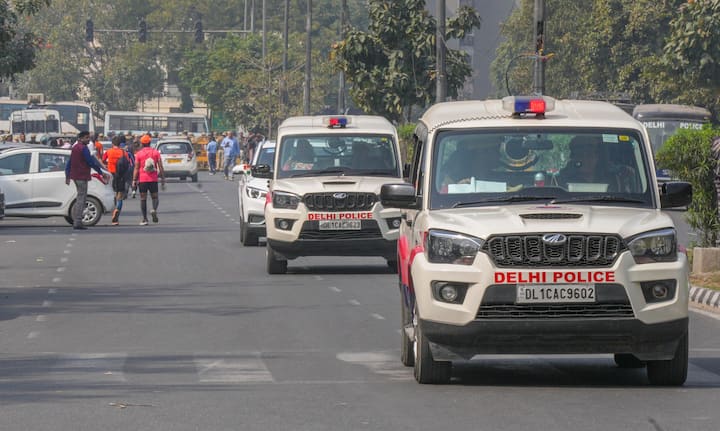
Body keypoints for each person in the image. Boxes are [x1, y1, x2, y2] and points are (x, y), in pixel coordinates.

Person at [64, 131, 110, 230]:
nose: (88, 140)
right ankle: (78, 221)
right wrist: (101, 173)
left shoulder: (75, 148)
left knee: (80, 197)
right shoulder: (83, 148)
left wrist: (67, 175)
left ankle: (77, 220)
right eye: (86, 138)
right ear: (81, 138)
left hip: (75, 176)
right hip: (81, 176)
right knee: (82, 199)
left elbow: (69, 163)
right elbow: (91, 162)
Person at [558, 135, 636, 193]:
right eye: (580, 154)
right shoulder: (560, 180)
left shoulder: (615, 178)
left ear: (597, 157)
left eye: (589, 155)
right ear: (572, 157)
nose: (585, 159)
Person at [132, 134, 165, 225]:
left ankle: (144, 219)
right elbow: (160, 166)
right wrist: (162, 178)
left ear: (141, 144)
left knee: (143, 199)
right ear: (150, 143)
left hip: (142, 179)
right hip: (153, 179)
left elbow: (136, 168)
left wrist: (134, 180)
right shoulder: (155, 152)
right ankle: (154, 209)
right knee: (155, 197)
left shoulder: (139, 154)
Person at [102, 136, 132, 225]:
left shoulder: (108, 151)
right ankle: (116, 213)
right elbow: (128, 164)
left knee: (111, 193)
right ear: (120, 144)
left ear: (112, 143)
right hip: (120, 176)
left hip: (110, 175)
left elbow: (103, 161)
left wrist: (108, 164)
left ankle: (111, 208)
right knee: (120, 196)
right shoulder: (123, 152)